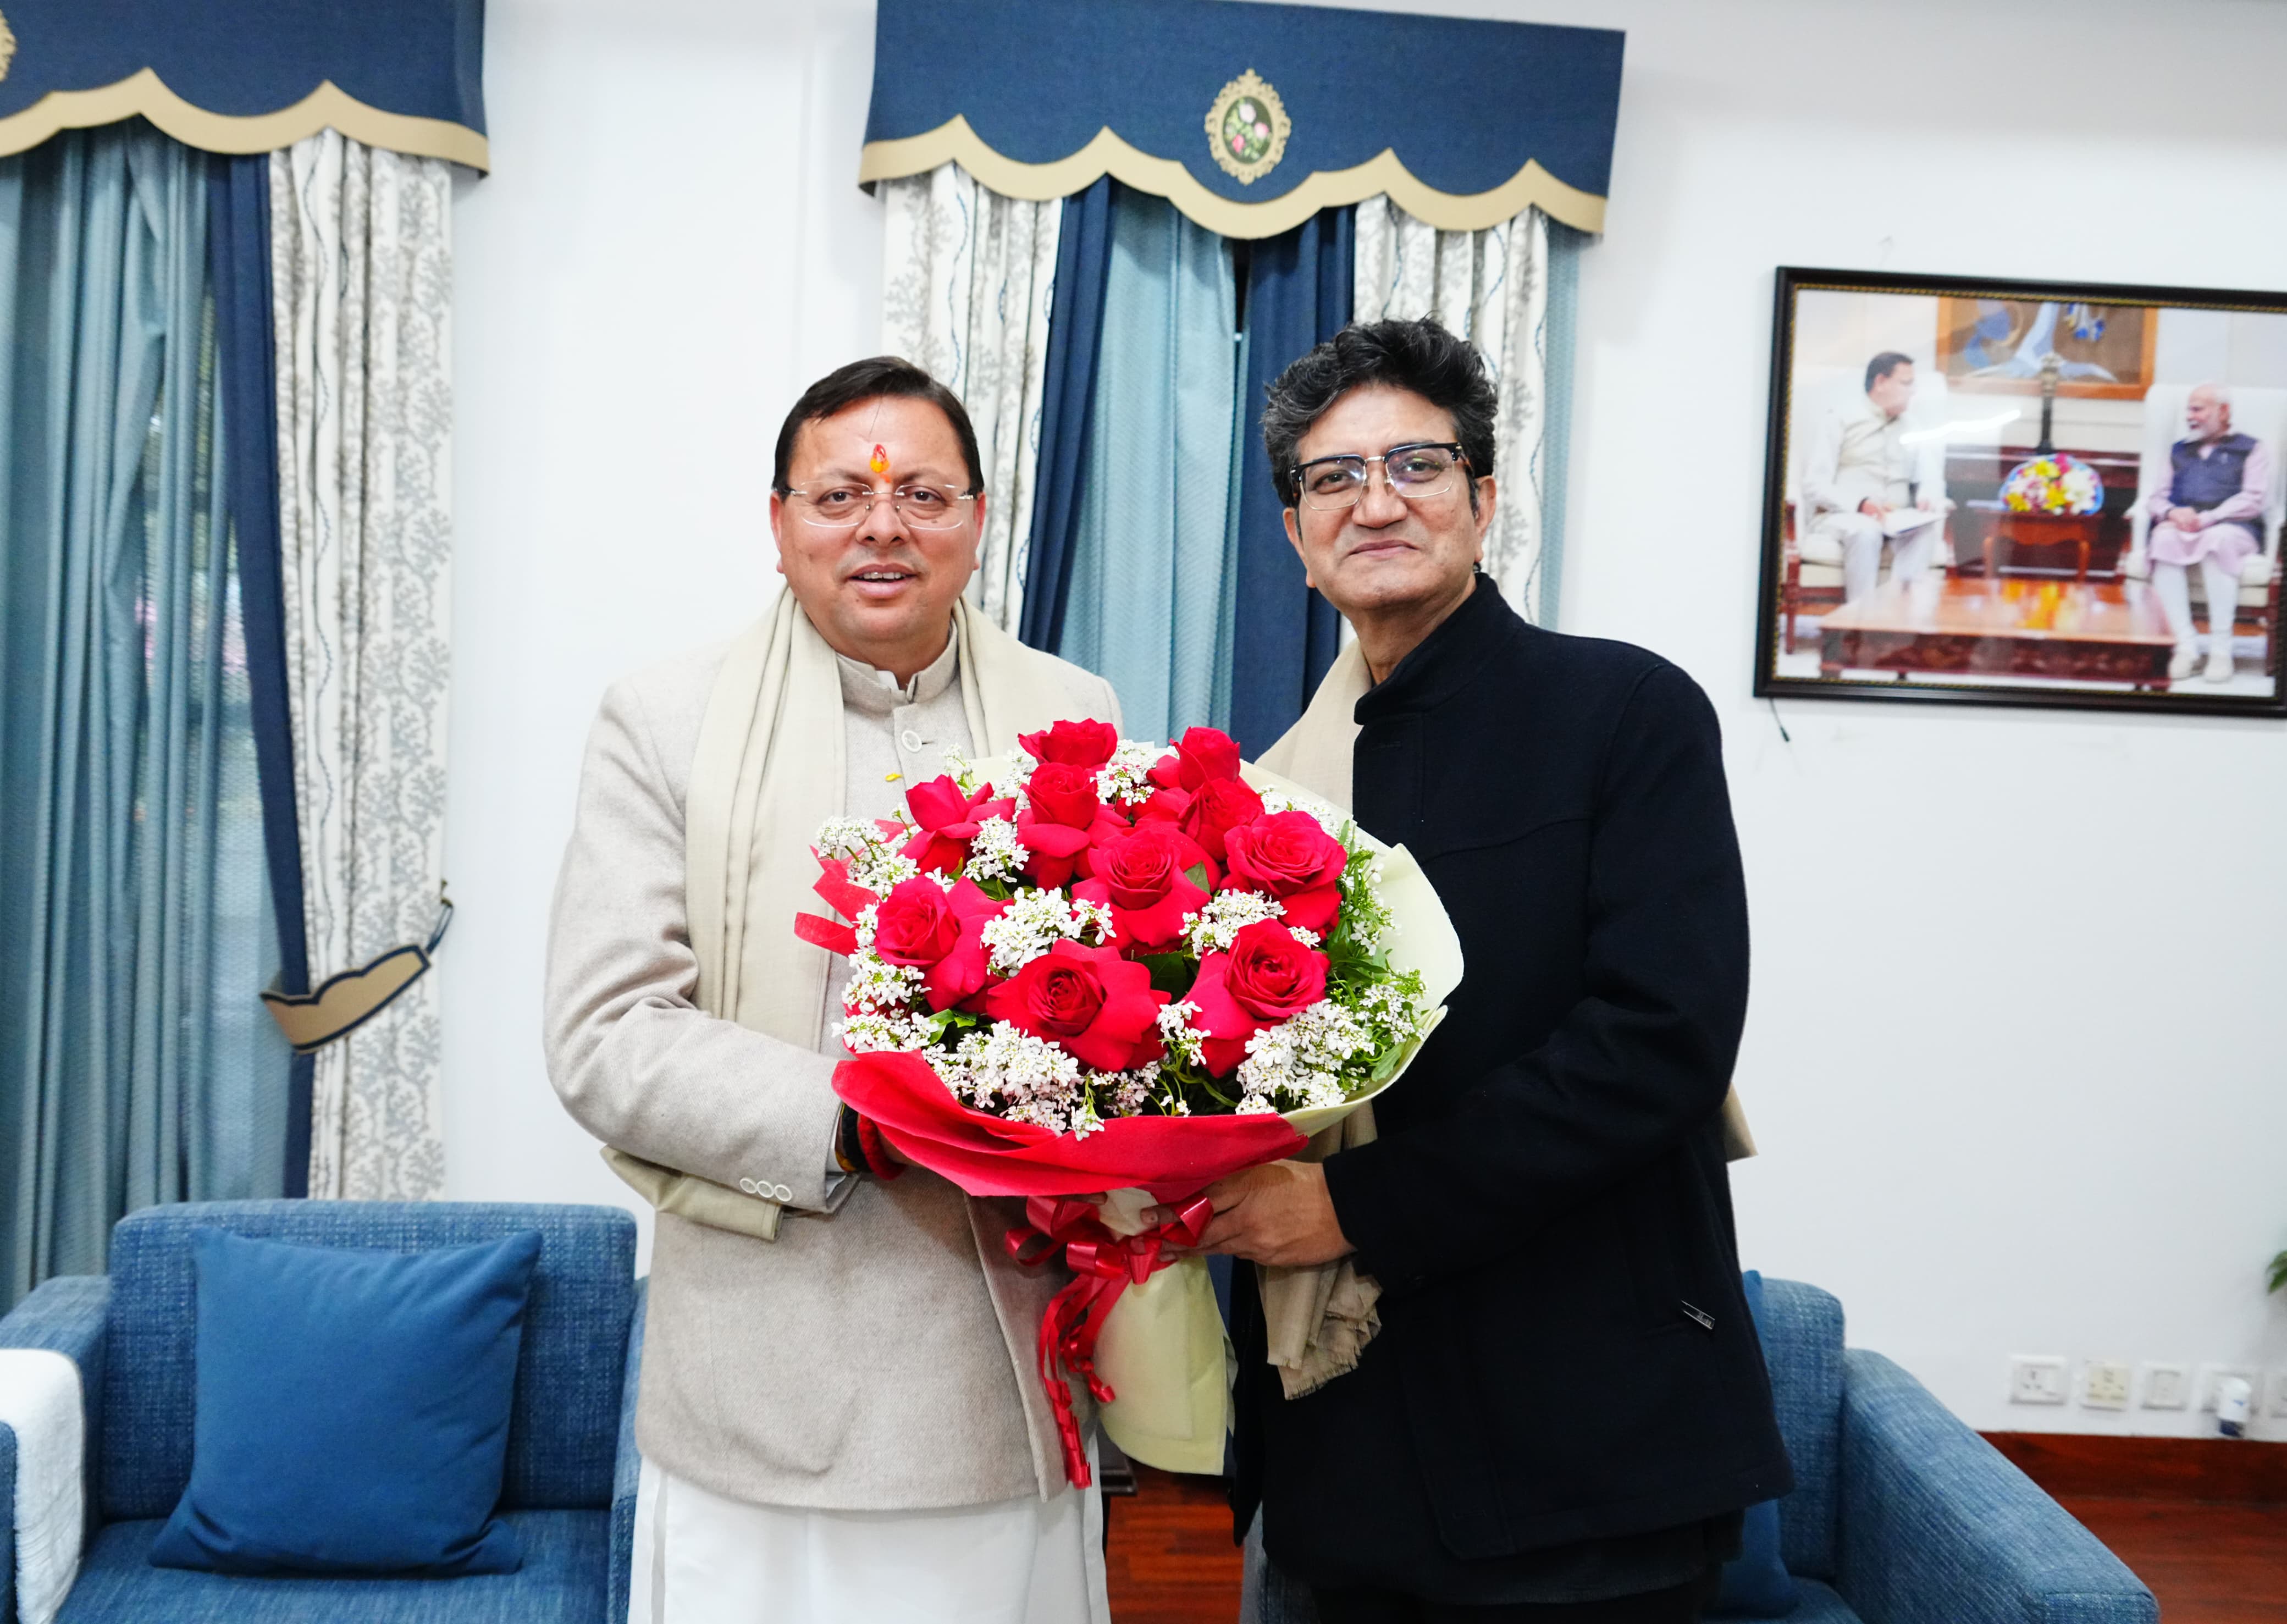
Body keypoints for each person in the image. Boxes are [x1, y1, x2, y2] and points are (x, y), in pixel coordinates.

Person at [1192, 319, 1791, 1623]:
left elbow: (1659, 1041)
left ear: (1483, 498)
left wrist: (1354, 1207)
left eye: (1416, 463)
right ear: (1295, 534)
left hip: (1583, 1438)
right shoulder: (1270, 792)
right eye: (1333, 478)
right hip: (1342, 1448)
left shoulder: (1623, 713)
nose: (1375, 502)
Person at [543, 357, 1121, 1623]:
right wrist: (868, 1122)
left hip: (993, 1369)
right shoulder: (665, 716)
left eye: (923, 494)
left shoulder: (1074, 714)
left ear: (978, 519)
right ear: (778, 523)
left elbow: (1128, 989)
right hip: (760, 1373)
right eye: (840, 496)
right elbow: (607, 1034)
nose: (882, 526)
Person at [2129, 383, 2272, 682]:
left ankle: (2221, 651)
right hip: (2184, 526)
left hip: (2234, 528)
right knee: (2163, 538)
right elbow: (2157, 498)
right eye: (2189, 410)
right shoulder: (2178, 451)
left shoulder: (2251, 448)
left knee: (2218, 540)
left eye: (2198, 409)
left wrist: (2210, 518)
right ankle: (2186, 647)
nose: (2190, 416)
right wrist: (2172, 512)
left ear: (2224, 412)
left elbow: (2253, 498)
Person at [1799, 350, 1945, 602]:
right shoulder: (1840, 419)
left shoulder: (1913, 427)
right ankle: (1861, 617)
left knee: (1924, 532)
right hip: (1846, 516)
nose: (1913, 392)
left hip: (1897, 518)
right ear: (1881, 382)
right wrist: (1860, 504)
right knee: (1866, 531)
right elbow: (1815, 484)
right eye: (1906, 384)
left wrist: (1926, 497)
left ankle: (1899, 615)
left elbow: (1930, 477)